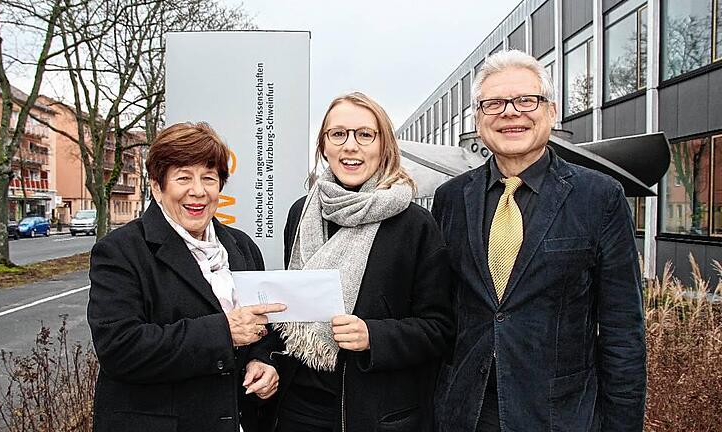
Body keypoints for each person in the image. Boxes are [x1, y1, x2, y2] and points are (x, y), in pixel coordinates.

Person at [432, 50, 646, 432]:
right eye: (494, 103)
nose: (510, 113)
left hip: (559, 416)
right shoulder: (450, 198)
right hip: (464, 413)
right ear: (479, 118)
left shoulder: (599, 197)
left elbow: (622, 331)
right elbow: (440, 312)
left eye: (526, 100)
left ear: (550, 111)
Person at [269, 92, 454, 432]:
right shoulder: (301, 213)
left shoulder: (415, 224)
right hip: (299, 408)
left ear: (384, 146)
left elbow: (439, 328)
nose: (350, 146)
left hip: (377, 414)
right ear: (324, 146)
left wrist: (374, 335)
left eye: (365, 135)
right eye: (337, 134)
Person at [87, 122, 286, 432]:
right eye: (183, 178)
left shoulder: (242, 246)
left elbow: (264, 327)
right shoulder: (121, 251)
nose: (198, 191)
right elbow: (120, 349)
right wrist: (223, 332)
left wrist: (265, 362)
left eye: (209, 178)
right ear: (157, 186)